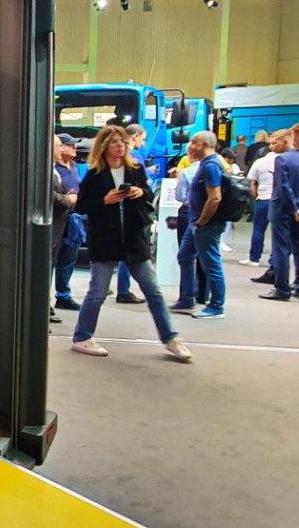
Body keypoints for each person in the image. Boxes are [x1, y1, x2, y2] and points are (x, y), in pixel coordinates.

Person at [70, 125, 191, 362]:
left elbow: (148, 194)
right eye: (115, 142)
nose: (120, 146)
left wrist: (139, 192)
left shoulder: (135, 169)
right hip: (105, 240)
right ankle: (82, 337)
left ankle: (171, 338)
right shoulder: (94, 174)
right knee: (97, 292)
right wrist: (105, 200)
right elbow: (82, 206)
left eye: (123, 142)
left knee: (153, 291)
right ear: (104, 146)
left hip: (134, 239)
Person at [173, 131, 226, 319]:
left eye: (194, 142)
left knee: (211, 263)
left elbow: (215, 197)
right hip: (195, 222)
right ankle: (187, 297)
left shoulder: (210, 165)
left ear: (203, 145)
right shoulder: (205, 163)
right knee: (184, 256)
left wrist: (202, 222)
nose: (190, 145)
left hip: (205, 224)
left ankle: (216, 306)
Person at [112, 123, 149, 304]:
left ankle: (121, 289)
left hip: (115, 213)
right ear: (135, 137)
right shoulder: (136, 159)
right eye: (142, 138)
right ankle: (123, 290)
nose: (143, 142)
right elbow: (144, 187)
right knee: (132, 254)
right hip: (131, 214)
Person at [262, 125, 299, 302]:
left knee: (281, 249)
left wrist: (293, 208)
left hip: (281, 209)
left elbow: (283, 187)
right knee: (298, 247)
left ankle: (282, 289)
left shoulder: (282, 159)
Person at [240, 129, 285, 267]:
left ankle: (254, 258)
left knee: (258, 229)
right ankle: (274, 260)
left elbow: (251, 183)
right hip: (280, 200)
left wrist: (256, 197)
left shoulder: (260, 162)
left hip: (263, 198)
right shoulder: (286, 160)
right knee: (278, 232)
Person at [53, 133, 84, 312]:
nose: (74, 148)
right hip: (58, 218)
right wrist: (68, 198)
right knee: (51, 260)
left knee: (69, 258)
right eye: (70, 145)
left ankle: (63, 295)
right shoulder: (53, 168)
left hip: (72, 219)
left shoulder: (74, 167)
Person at [50, 135, 77, 325]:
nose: (61, 149)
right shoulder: (45, 169)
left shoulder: (70, 167)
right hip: (52, 225)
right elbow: (46, 194)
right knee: (46, 267)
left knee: (61, 262)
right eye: (59, 146)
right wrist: (67, 199)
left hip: (65, 223)